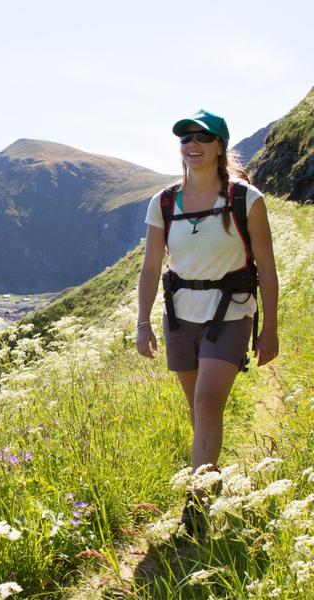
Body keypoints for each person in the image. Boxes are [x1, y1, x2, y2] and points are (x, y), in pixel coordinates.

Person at [135, 109, 279, 536]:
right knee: (197, 411)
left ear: (220, 146)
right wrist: (142, 323)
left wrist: (269, 328)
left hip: (231, 315)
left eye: (203, 137)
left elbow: (267, 269)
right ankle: (212, 478)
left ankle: (195, 509)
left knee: (206, 404)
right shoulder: (163, 202)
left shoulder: (246, 200)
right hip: (180, 317)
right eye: (185, 139)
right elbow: (149, 267)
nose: (192, 144)